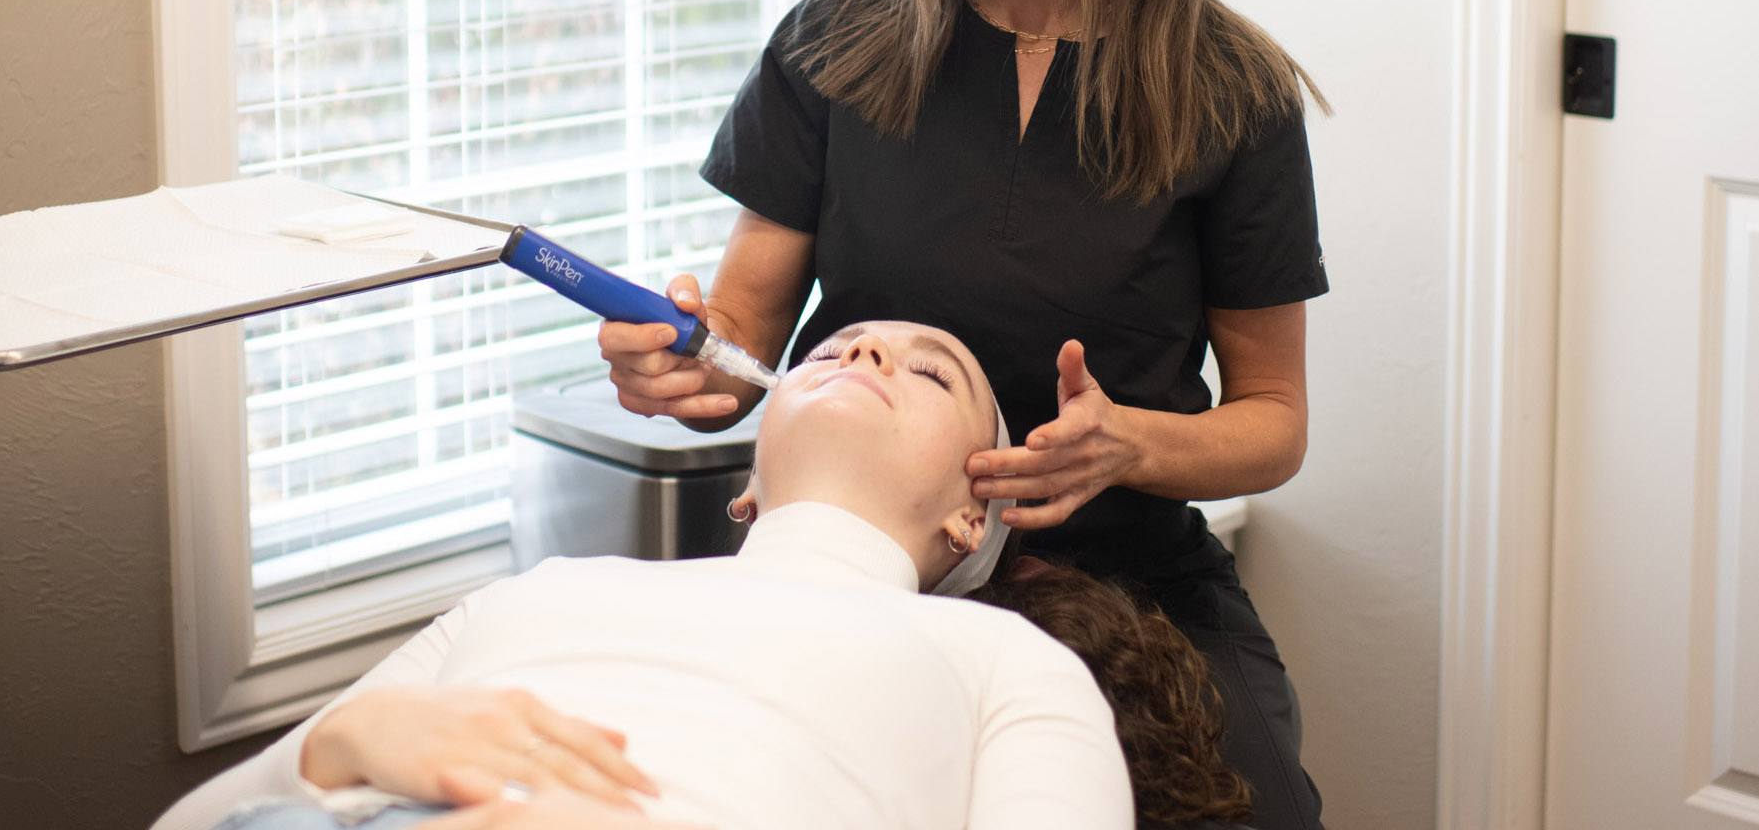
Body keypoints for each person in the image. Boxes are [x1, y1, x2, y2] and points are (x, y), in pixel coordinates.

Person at [599, 0, 1330, 830]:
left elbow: (1272, 422)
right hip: (868, 576)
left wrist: (1127, 445)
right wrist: (676, 362)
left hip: (1125, 584)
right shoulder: (835, 44)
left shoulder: (1225, 92)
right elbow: (737, 351)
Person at [153, 323, 1249, 830]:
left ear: (974, 520)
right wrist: (344, 742)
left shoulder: (1001, 658)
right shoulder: (541, 590)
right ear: (747, 485)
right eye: (828, 349)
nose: (863, 353)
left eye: (930, 372)